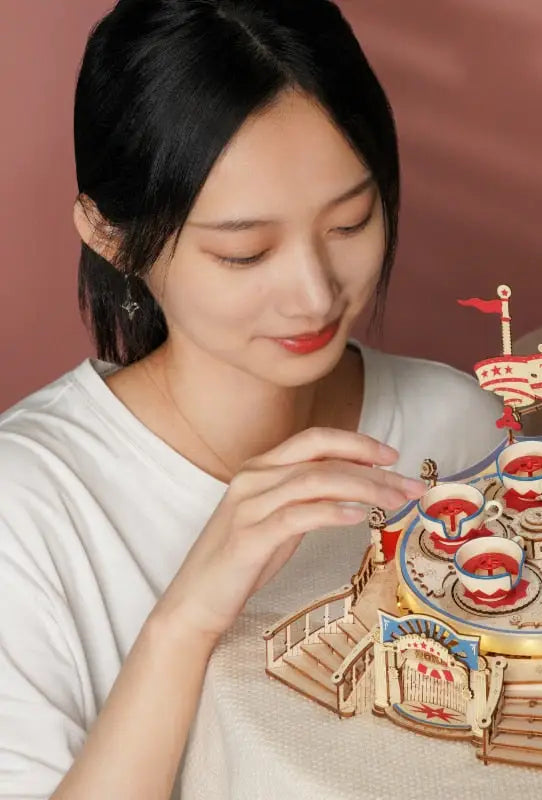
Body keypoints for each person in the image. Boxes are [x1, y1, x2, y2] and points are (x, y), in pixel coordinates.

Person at [0, 2, 503, 798]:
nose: (314, 295)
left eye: (351, 221)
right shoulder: (27, 510)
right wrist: (186, 621)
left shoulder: (456, 424)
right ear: (109, 235)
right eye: (245, 252)